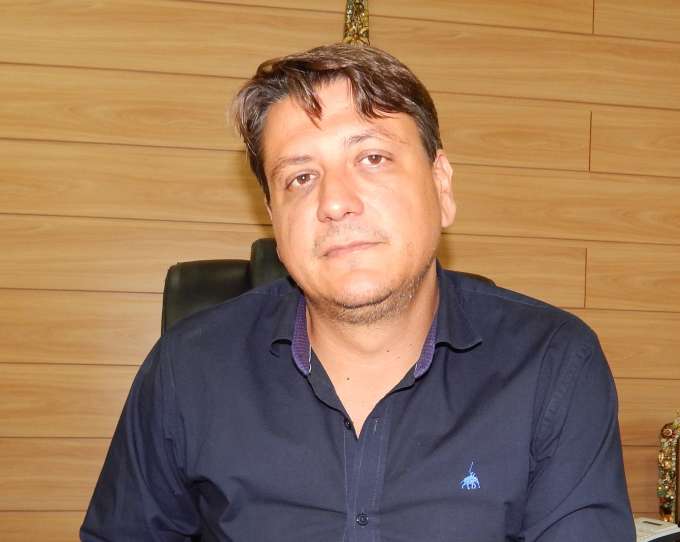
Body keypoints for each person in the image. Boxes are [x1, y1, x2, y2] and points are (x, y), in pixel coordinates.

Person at [81, 43, 635, 541]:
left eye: (372, 158)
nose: (335, 202)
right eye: (300, 177)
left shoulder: (553, 363)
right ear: (274, 217)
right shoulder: (187, 368)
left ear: (441, 187)